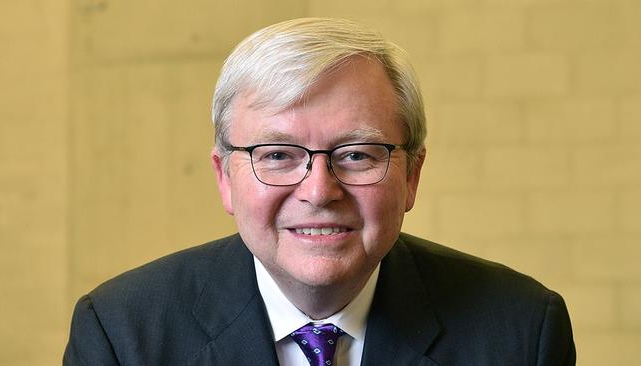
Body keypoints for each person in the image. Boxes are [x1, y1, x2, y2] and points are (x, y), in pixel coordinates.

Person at [64, 18, 576, 365]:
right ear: (225, 178)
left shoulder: (520, 331)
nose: (319, 191)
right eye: (277, 155)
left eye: (357, 154)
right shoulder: (122, 333)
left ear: (412, 175)